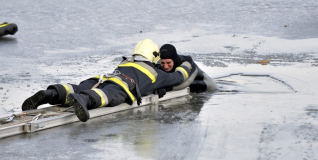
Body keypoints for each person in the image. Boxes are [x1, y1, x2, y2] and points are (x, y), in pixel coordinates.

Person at [22, 39, 196, 122]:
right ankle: (84, 99)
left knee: (77, 87)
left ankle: (50, 93)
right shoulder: (157, 74)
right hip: (122, 87)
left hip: (104, 78)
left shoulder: (127, 61)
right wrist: (187, 62)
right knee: (105, 96)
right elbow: (179, 77)